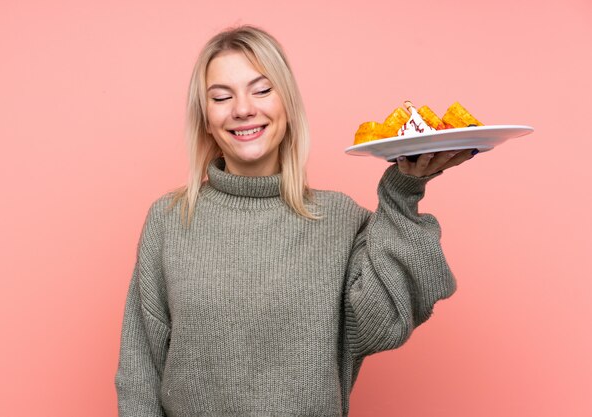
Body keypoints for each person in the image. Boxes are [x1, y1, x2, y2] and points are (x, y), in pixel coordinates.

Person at [115, 25, 475, 417]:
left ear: (287, 103)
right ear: (205, 118)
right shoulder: (169, 220)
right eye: (221, 97)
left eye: (262, 90)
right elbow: (139, 373)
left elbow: (382, 325)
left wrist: (403, 191)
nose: (242, 109)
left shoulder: (338, 219)